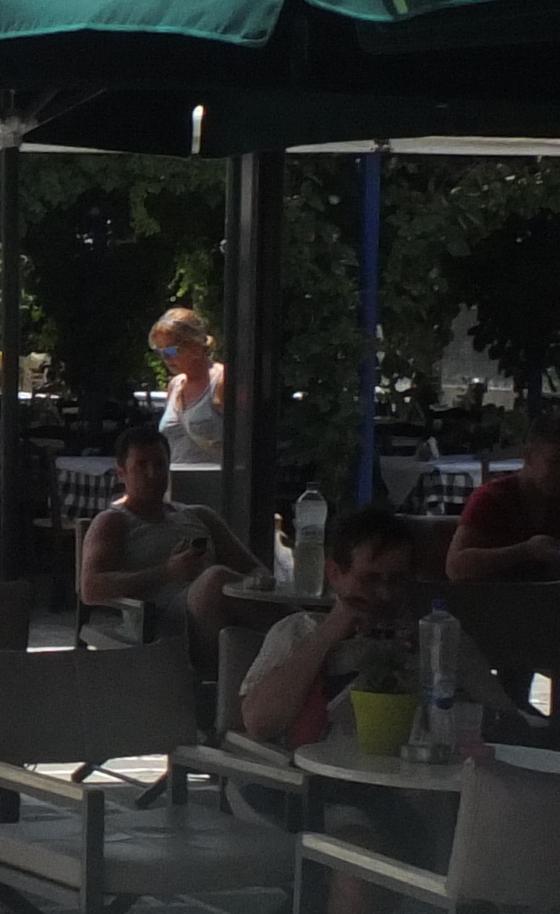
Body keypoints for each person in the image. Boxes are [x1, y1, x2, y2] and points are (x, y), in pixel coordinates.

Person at [242, 501, 419, 747]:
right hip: (303, 779)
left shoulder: (433, 640)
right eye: (370, 579)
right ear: (335, 573)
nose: (384, 593)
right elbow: (258, 723)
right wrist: (328, 635)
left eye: (396, 580)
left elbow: (488, 710)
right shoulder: (298, 631)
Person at [77, 419, 257, 658]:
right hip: (158, 623)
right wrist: (166, 572)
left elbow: (255, 570)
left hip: (221, 617)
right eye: (141, 466)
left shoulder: (199, 515)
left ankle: (303, 631)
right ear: (122, 473)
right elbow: (90, 588)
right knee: (215, 579)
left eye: (160, 465)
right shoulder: (114, 521)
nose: (153, 474)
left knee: (239, 586)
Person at [447, 410, 560, 582]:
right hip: (496, 602)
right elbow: (455, 568)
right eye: (555, 462)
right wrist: (525, 551)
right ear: (528, 456)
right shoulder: (492, 498)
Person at [151, 308, 227, 468]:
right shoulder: (175, 385)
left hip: (215, 487)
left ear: (195, 346)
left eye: (171, 350)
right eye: (160, 352)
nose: (165, 358)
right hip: (176, 487)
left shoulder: (221, 381)